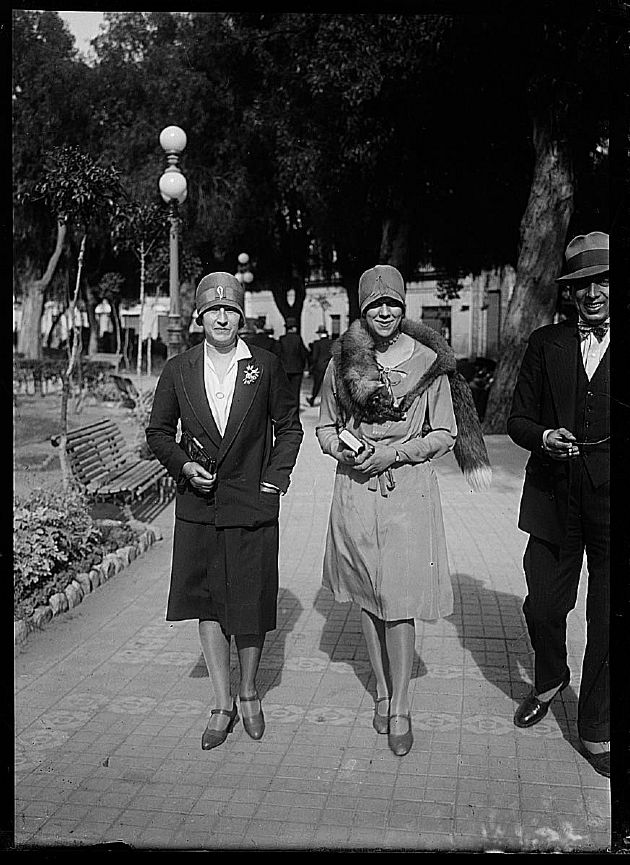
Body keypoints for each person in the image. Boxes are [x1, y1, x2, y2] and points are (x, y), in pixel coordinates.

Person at [315, 265, 491, 756]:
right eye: (375, 304)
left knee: (399, 600)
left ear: (403, 307)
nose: (384, 311)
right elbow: (326, 427)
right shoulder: (343, 364)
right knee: (368, 596)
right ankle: (383, 688)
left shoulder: (427, 364)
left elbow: (446, 434)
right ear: (362, 309)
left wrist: (396, 452)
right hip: (354, 491)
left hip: (407, 493)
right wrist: (341, 449)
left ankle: (402, 704)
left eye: (392, 303)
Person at [146, 272, 303, 751]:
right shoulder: (179, 369)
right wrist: (184, 465)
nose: (222, 317)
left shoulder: (266, 366)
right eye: (213, 310)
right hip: (199, 506)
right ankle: (222, 701)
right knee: (209, 603)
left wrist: (273, 480)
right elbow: (158, 433)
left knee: (249, 601)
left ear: (242, 317)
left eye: (231, 310)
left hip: (251, 502)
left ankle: (250, 691)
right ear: (200, 316)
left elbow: (290, 428)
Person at [507, 231, 610, 778]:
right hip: (552, 496)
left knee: (608, 620)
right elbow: (517, 419)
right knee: (544, 605)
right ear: (570, 293)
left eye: (604, 281)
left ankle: (596, 727)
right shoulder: (547, 344)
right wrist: (543, 435)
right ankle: (549, 679)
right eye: (582, 285)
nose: (593, 293)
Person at [277, 317, 310, 411]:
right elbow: (303, 353)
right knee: (295, 392)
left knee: (284, 390)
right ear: (293, 328)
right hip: (297, 369)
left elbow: (278, 354)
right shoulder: (298, 339)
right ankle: (294, 410)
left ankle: (285, 409)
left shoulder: (281, 339)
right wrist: (305, 367)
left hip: (284, 369)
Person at [307, 325, 333, 407]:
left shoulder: (317, 343)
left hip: (319, 366)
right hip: (329, 366)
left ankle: (312, 399)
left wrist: (311, 367)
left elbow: (314, 357)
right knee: (330, 386)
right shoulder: (332, 342)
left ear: (319, 334)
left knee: (317, 384)